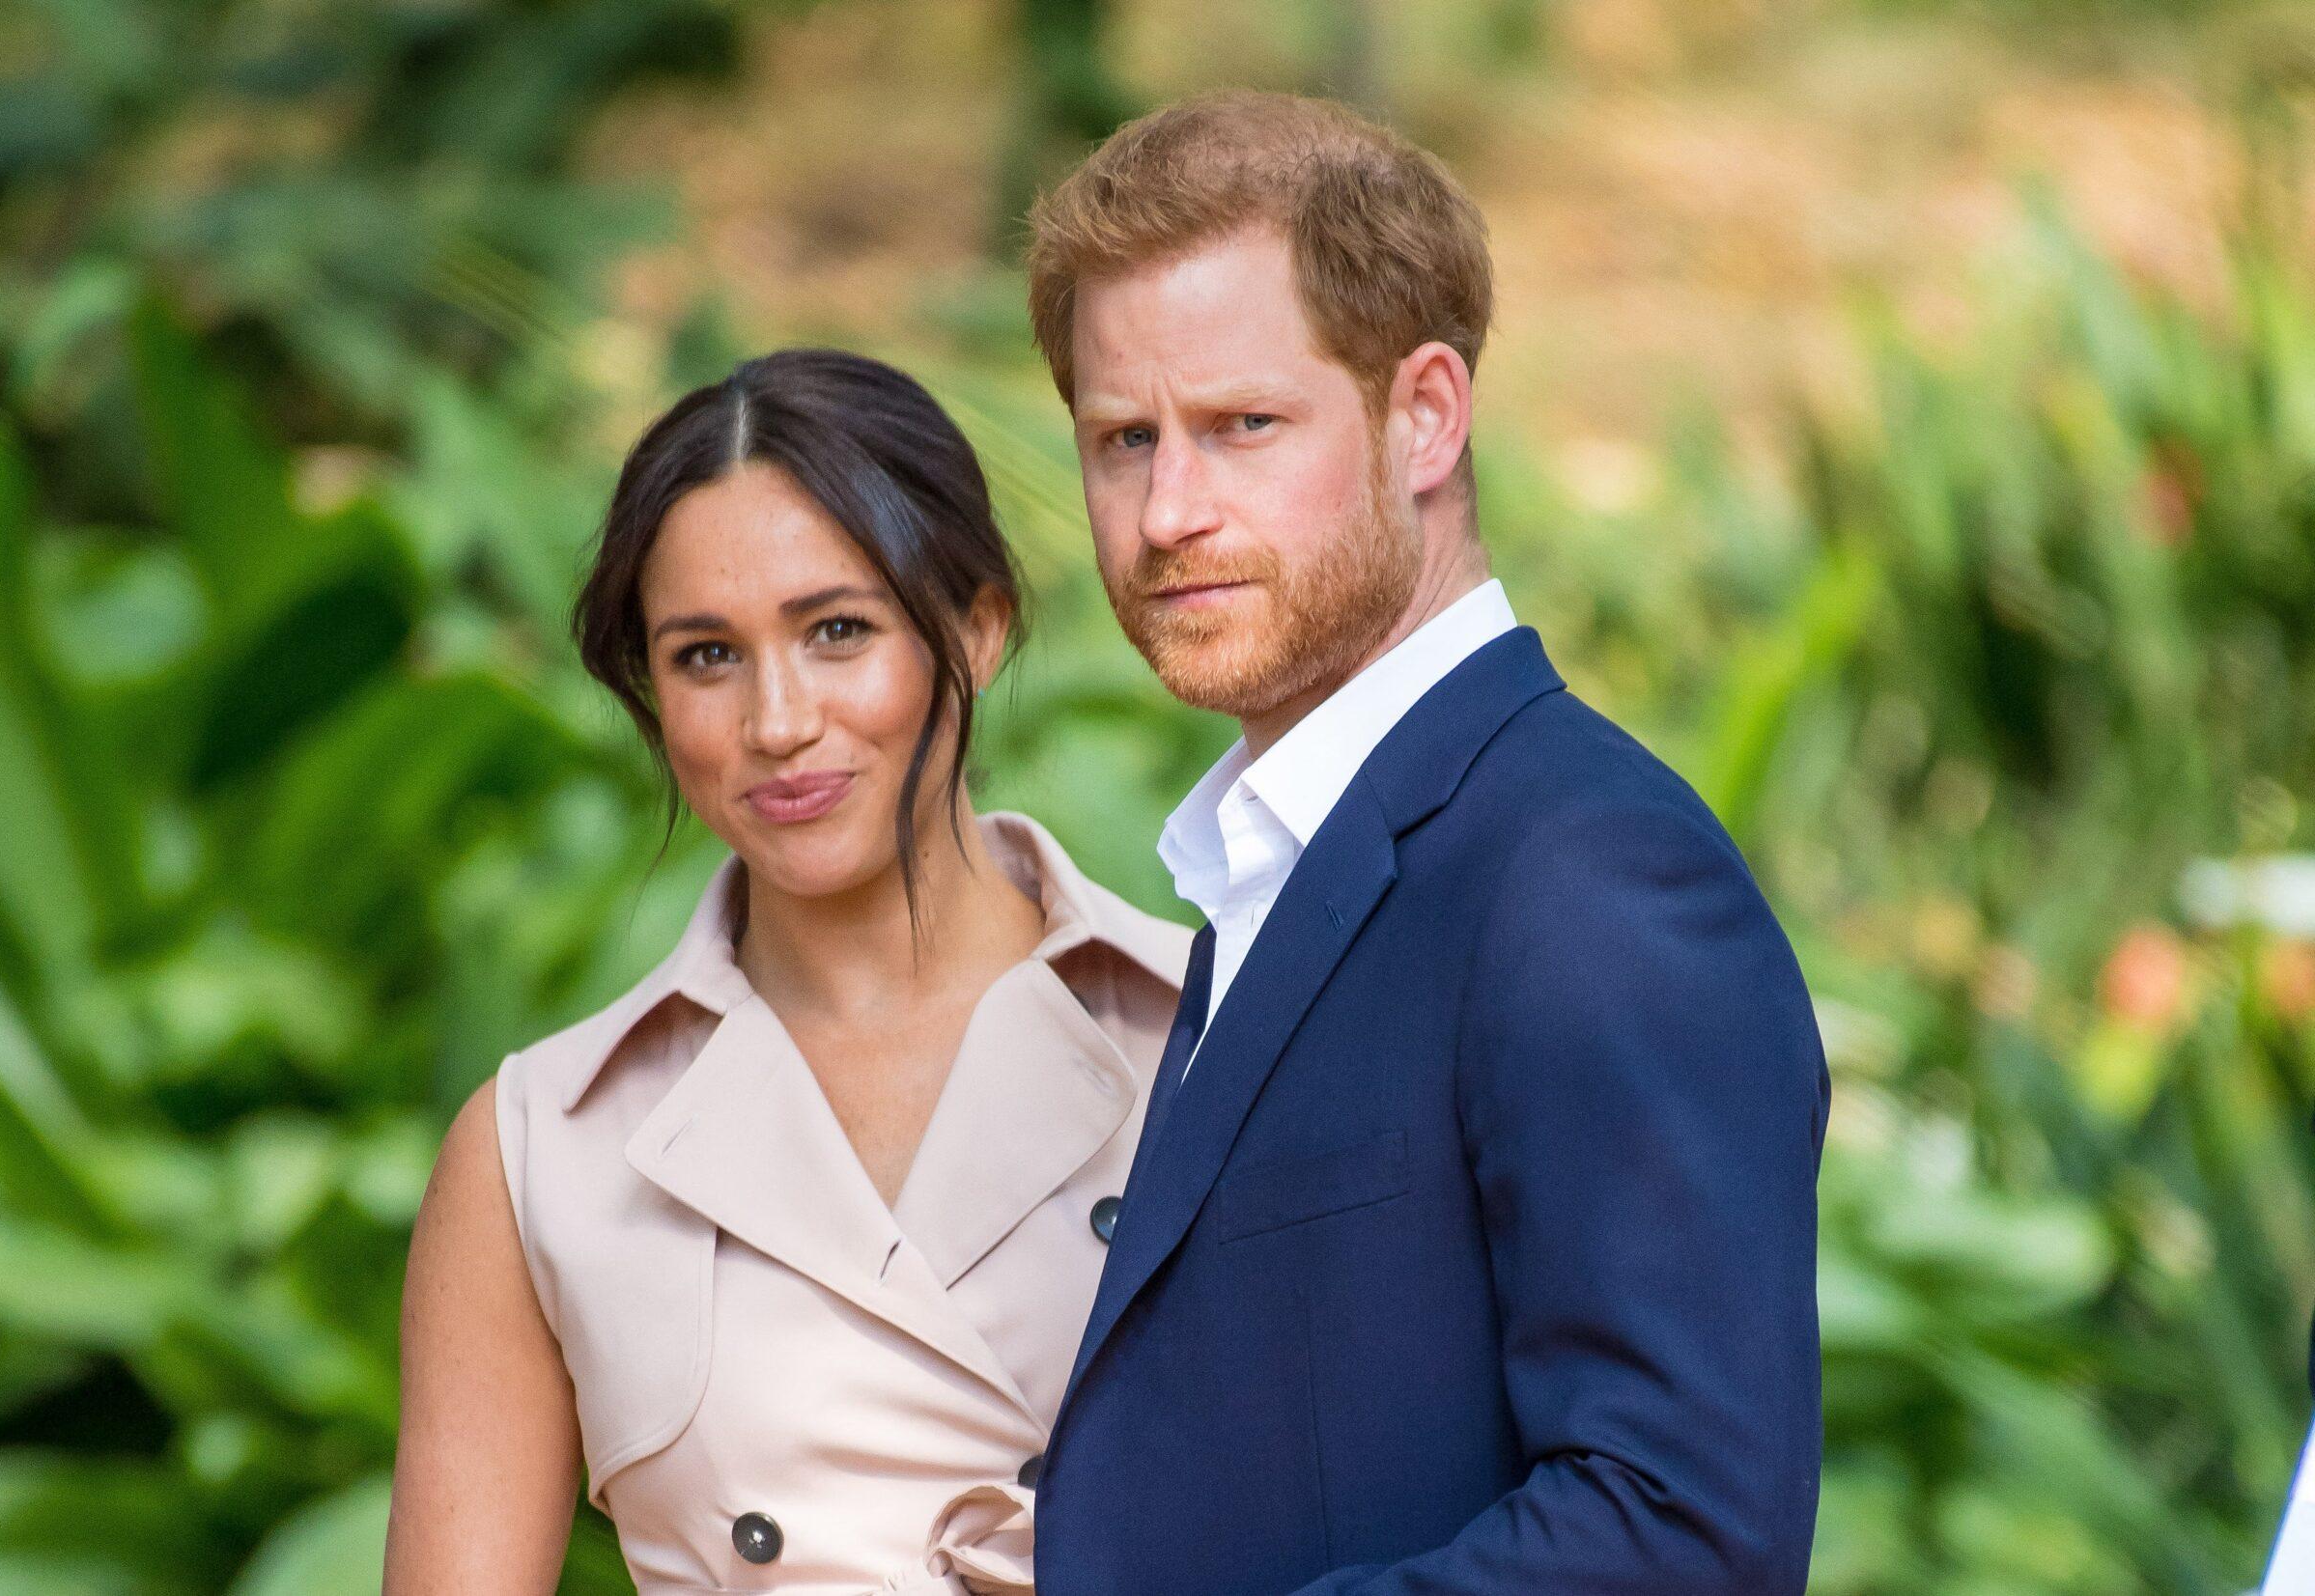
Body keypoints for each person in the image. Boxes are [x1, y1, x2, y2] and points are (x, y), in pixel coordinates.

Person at [1022, 91, 1830, 1594]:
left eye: (1242, 425)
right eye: (1122, 439)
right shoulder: (1274, 861)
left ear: (1427, 414)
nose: (1168, 510)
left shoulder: (1587, 878)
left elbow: (1685, 1533)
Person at [385, 349, 1194, 1594]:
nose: (778, 722)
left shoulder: (1220, 1033)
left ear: (976, 632)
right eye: (707, 656)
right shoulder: (541, 1149)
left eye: (838, 632)